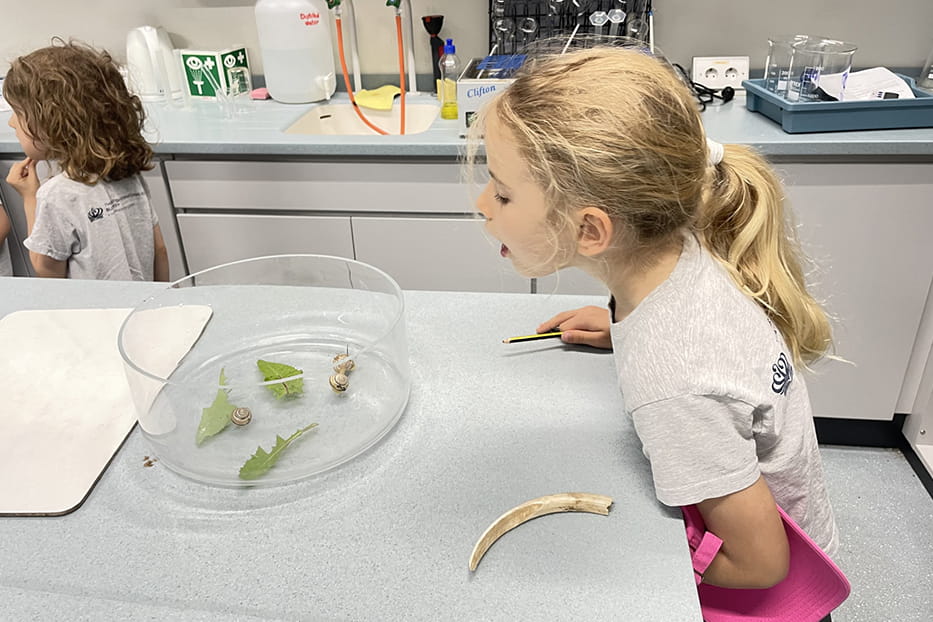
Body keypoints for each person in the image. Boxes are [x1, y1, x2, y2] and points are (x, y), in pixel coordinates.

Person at [469, 46, 839, 592]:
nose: (482, 204)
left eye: (501, 193)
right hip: (780, 516)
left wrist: (645, 549)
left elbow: (762, 564)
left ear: (591, 232)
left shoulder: (672, 384)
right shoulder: (682, 247)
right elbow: (711, 359)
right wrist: (625, 327)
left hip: (780, 582)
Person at [3, 40, 168, 281]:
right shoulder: (125, 171)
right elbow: (159, 250)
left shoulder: (56, 194)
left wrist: (30, 198)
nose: (11, 123)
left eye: (18, 113)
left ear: (54, 123)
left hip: (95, 317)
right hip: (139, 310)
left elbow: (45, 269)